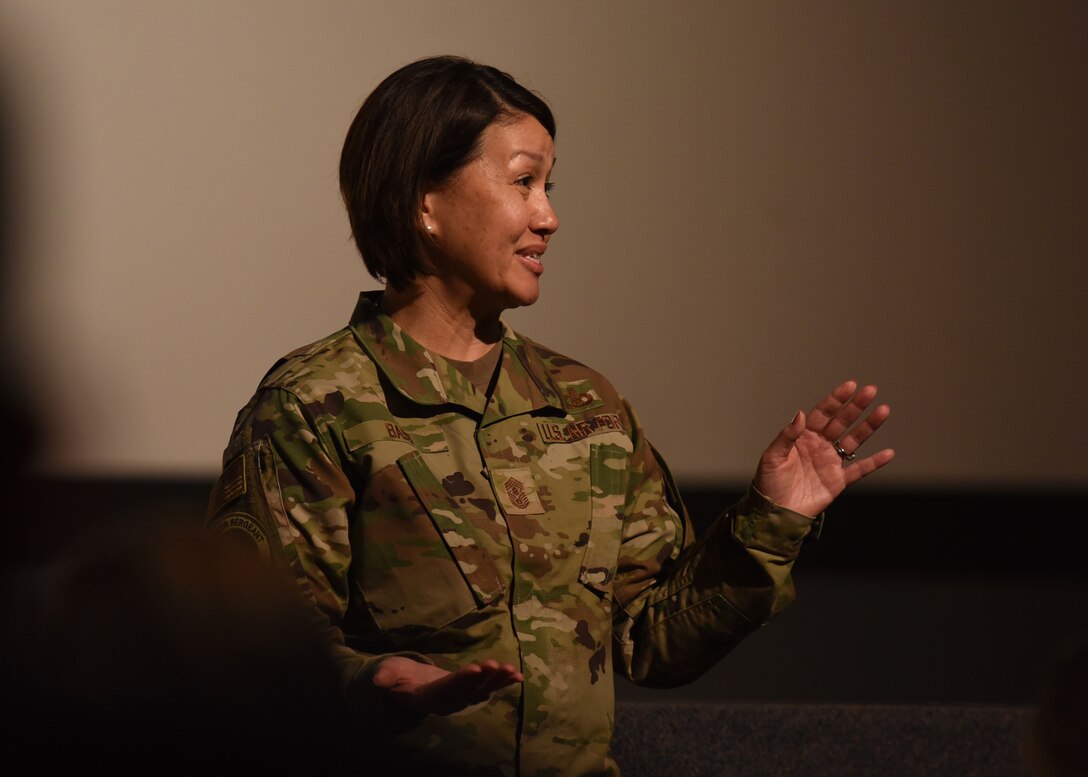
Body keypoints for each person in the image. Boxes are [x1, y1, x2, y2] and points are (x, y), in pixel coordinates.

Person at [204, 54, 894, 776]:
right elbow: (255, 650)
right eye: (523, 182)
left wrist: (770, 519)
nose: (549, 216)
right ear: (424, 204)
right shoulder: (314, 405)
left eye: (550, 186)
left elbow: (652, 637)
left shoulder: (586, 405)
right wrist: (373, 681)